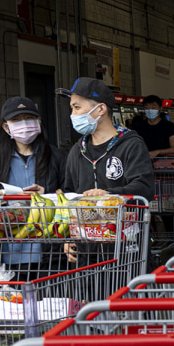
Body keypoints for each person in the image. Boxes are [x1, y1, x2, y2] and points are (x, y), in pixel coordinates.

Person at [58, 77, 156, 269]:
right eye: (72, 108)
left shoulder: (131, 145)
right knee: (90, 298)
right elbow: (69, 195)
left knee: (126, 297)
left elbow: (144, 188)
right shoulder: (77, 151)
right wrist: (69, 237)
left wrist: (110, 195)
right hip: (88, 252)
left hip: (127, 250)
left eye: (77, 108)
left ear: (100, 109)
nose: (73, 114)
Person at [0, 97, 64, 279]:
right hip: (8, 253)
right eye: (16, 120)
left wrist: (47, 195)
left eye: (28, 118)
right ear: (6, 127)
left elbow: (68, 193)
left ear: (39, 122)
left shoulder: (56, 157)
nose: (24, 124)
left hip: (48, 251)